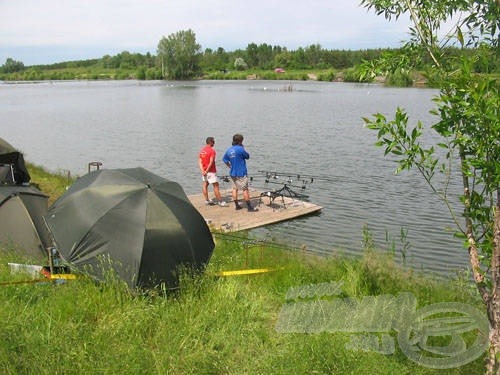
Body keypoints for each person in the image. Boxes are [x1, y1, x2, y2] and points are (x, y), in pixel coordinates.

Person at [222, 133, 258, 212]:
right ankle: (249, 208)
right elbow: (247, 156)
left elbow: (224, 159)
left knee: (234, 189)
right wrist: (243, 148)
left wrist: (230, 166)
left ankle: (237, 206)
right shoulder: (240, 149)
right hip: (241, 173)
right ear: (240, 141)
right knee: (245, 189)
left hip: (232, 173)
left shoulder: (229, 150)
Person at [198, 137, 227, 206]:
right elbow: (211, 162)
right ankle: (220, 201)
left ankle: (207, 200)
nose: (214, 143)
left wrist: (203, 171)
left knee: (205, 184)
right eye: (213, 142)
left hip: (204, 171)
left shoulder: (202, 150)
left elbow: (199, 161)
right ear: (211, 142)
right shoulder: (212, 151)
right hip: (211, 171)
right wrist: (207, 171)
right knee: (216, 185)